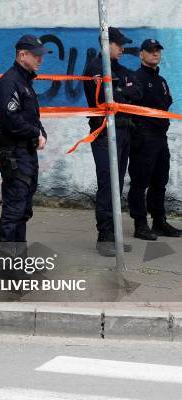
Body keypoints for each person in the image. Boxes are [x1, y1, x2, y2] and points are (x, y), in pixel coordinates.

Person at [0, 35, 49, 274]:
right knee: (14, 210)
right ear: (21, 54)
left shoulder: (24, 82)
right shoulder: (10, 82)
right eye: (36, 54)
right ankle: (7, 267)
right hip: (15, 152)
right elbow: (10, 120)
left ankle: (19, 261)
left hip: (25, 152)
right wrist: (35, 132)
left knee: (23, 209)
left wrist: (39, 130)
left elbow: (31, 116)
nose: (40, 59)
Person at [83, 27, 142, 257]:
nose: (123, 49)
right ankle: (105, 236)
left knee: (117, 185)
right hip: (105, 132)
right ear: (106, 44)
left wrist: (123, 90)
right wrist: (122, 90)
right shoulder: (95, 68)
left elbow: (137, 92)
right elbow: (110, 97)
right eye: (118, 44)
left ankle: (114, 236)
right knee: (108, 184)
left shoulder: (119, 69)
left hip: (124, 131)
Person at [128, 39, 181, 239]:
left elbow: (165, 106)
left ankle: (159, 221)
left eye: (158, 50)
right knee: (140, 182)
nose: (155, 54)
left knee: (160, 181)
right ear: (141, 54)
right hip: (143, 136)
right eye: (151, 51)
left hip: (160, 137)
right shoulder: (136, 78)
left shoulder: (162, 81)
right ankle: (140, 224)